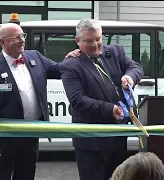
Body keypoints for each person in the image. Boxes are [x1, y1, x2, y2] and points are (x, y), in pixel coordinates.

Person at [0, 23, 79, 180]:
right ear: (3, 42)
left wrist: (71, 59)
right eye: (16, 37)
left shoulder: (35, 56)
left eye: (23, 36)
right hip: (5, 138)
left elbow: (58, 69)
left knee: (27, 174)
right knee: (1, 176)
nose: (22, 40)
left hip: (31, 134)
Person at [59, 18, 144, 180]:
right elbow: (78, 100)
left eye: (98, 39)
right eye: (89, 41)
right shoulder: (70, 65)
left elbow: (136, 68)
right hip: (91, 144)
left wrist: (129, 77)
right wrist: (109, 109)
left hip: (118, 138)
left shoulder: (115, 52)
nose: (95, 44)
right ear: (77, 41)